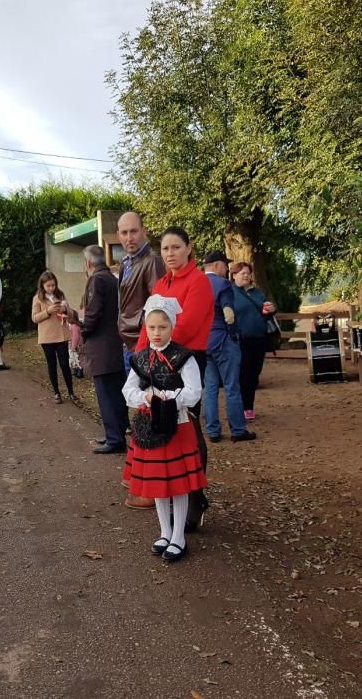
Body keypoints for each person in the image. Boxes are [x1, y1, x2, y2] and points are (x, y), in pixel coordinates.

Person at [135, 227, 214, 529]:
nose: (170, 254)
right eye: (165, 249)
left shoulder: (198, 282)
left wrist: (157, 353)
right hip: (157, 362)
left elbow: (187, 327)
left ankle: (195, 499)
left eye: (176, 247)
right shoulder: (160, 284)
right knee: (162, 429)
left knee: (188, 429)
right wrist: (141, 362)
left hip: (186, 361)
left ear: (189, 248)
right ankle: (170, 498)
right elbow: (148, 326)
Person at [122, 295, 206, 563]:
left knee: (178, 485)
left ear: (172, 326)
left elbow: (194, 392)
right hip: (150, 429)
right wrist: (143, 398)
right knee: (158, 484)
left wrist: (170, 397)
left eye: (162, 327)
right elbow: (128, 390)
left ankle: (179, 536)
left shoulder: (184, 357)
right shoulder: (141, 357)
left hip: (177, 426)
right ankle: (164, 531)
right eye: (151, 328)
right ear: (145, 328)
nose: (156, 333)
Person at [202, 251, 256, 443]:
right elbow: (229, 314)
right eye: (225, 265)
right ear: (217, 265)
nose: (226, 269)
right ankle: (238, 430)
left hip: (204, 341)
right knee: (232, 386)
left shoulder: (197, 284)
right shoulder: (222, 284)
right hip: (223, 339)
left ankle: (213, 431)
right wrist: (234, 334)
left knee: (209, 388)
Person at [79, 245, 128, 455]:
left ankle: (114, 439)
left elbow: (92, 314)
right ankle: (117, 432)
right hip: (115, 343)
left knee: (106, 395)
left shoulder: (96, 280)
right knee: (116, 393)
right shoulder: (112, 279)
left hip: (100, 347)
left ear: (88, 263)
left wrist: (83, 330)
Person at [117, 212, 166, 372]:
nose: (129, 237)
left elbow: (158, 306)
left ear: (143, 231)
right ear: (118, 235)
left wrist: (148, 341)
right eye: (124, 233)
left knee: (145, 396)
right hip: (129, 342)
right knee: (133, 396)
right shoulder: (126, 263)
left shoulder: (152, 261)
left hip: (143, 344)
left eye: (134, 231)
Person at [231, 261, 276, 420]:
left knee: (254, 374)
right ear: (234, 275)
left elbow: (265, 311)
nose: (245, 275)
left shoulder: (257, 293)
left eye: (248, 273)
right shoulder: (230, 293)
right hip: (240, 341)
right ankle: (241, 407)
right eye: (242, 273)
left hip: (259, 339)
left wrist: (270, 309)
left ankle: (249, 407)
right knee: (242, 374)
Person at [31, 271, 77, 403]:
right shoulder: (37, 298)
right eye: (48, 286)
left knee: (64, 364)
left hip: (61, 335)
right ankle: (56, 392)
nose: (51, 288)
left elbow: (70, 312)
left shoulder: (60, 295)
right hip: (47, 337)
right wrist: (47, 311)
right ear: (42, 286)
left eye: (53, 285)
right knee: (51, 364)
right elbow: (34, 318)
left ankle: (71, 391)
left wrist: (65, 310)